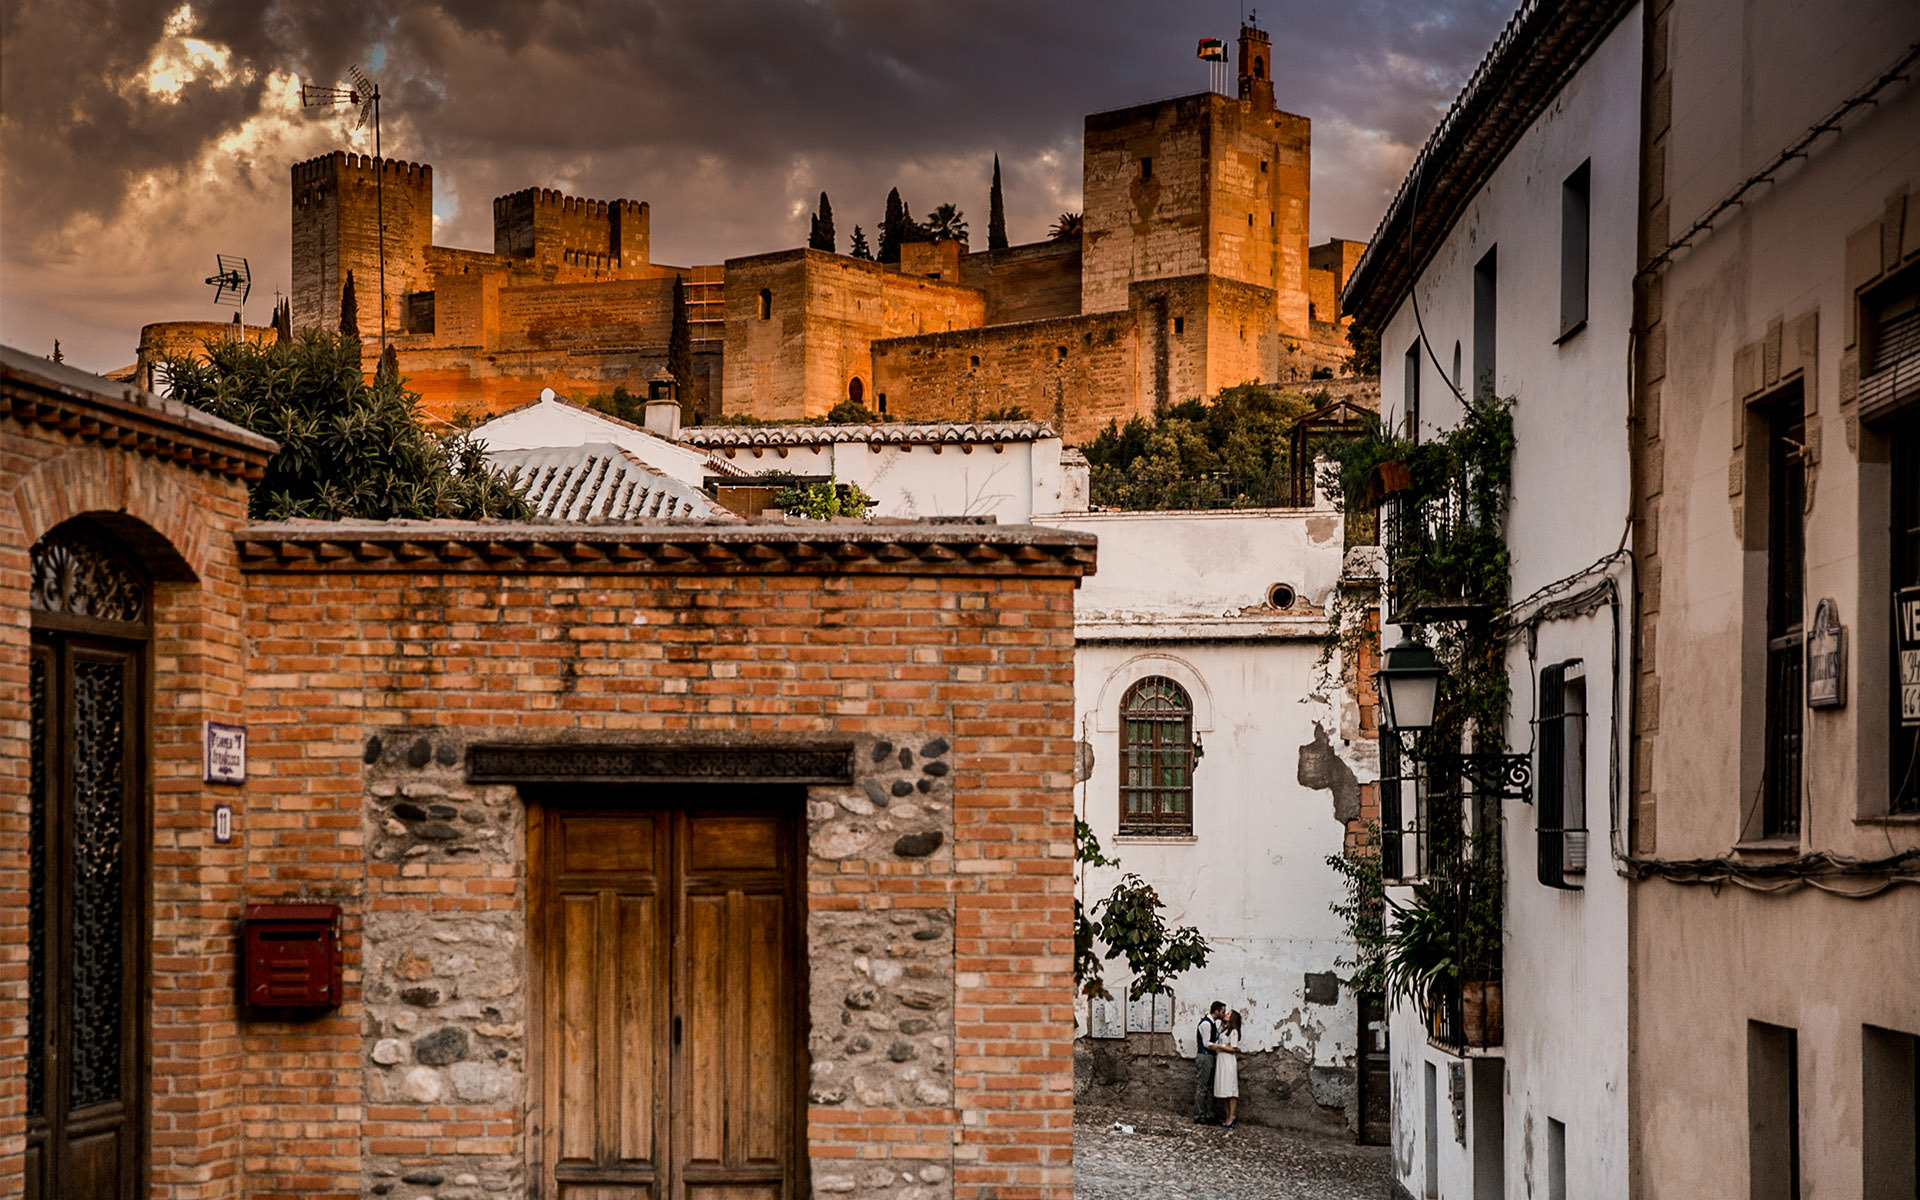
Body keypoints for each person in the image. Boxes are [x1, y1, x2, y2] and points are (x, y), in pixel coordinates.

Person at [1193, 1000, 1226, 1123]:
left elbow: (1214, 1037)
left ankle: (1210, 1114)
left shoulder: (1212, 1024)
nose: (1224, 1013)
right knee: (1202, 1087)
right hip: (1205, 1055)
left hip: (1210, 1056)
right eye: (1223, 1011)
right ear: (1216, 1011)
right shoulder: (1206, 1024)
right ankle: (1199, 1115)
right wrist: (1221, 1047)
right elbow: (1207, 1043)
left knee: (1211, 1087)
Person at [1211, 1008, 1243, 1128]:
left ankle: (1232, 1116)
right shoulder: (1224, 1029)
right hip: (1221, 1060)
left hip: (1228, 1060)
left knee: (1230, 1089)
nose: (1226, 1014)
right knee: (1224, 1090)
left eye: (1228, 1014)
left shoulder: (1233, 1032)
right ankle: (1227, 1116)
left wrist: (1220, 1046)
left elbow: (1233, 1048)